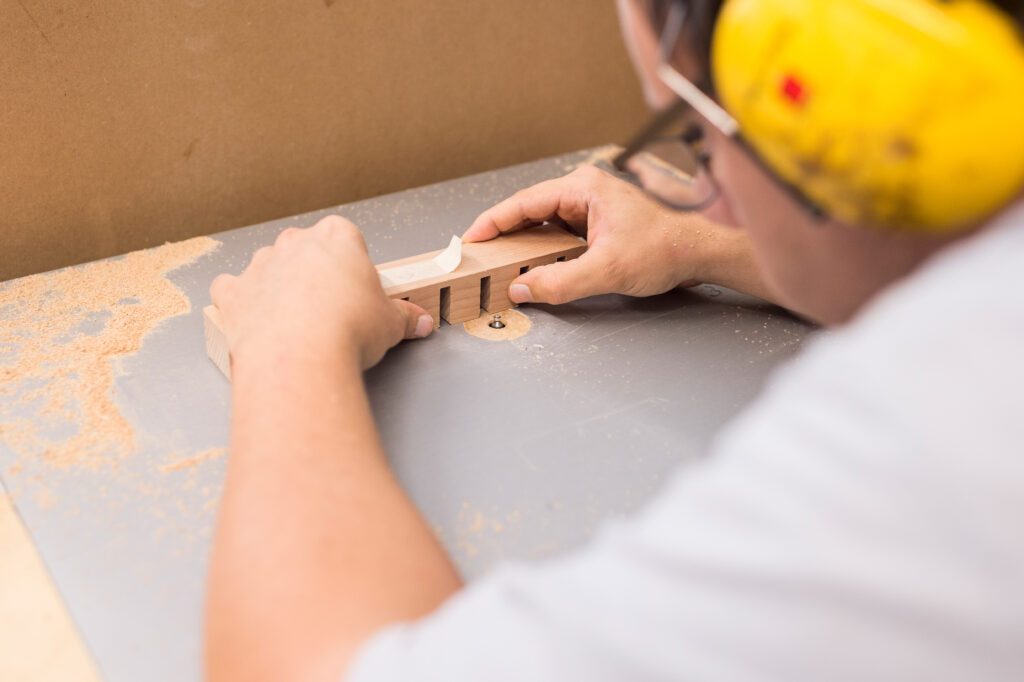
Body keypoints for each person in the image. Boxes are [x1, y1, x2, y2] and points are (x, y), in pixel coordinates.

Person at [204, 1, 1024, 680]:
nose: (716, 195)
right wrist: (728, 244)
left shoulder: (935, 443)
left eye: (698, 130)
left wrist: (287, 346)